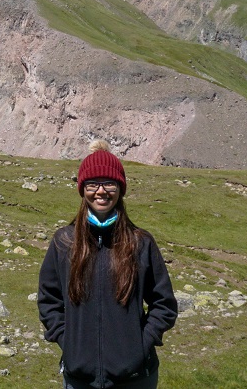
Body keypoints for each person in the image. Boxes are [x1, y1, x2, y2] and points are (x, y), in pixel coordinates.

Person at [38, 140, 178, 389]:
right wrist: (68, 343)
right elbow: (49, 301)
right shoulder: (64, 242)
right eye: (92, 184)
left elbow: (164, 304)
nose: (100, 191)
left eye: (109, 183)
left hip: (136, 378)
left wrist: (140, 346)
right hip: (79, 379)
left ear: (120, 189)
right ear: (82, 189)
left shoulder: (141, 243)